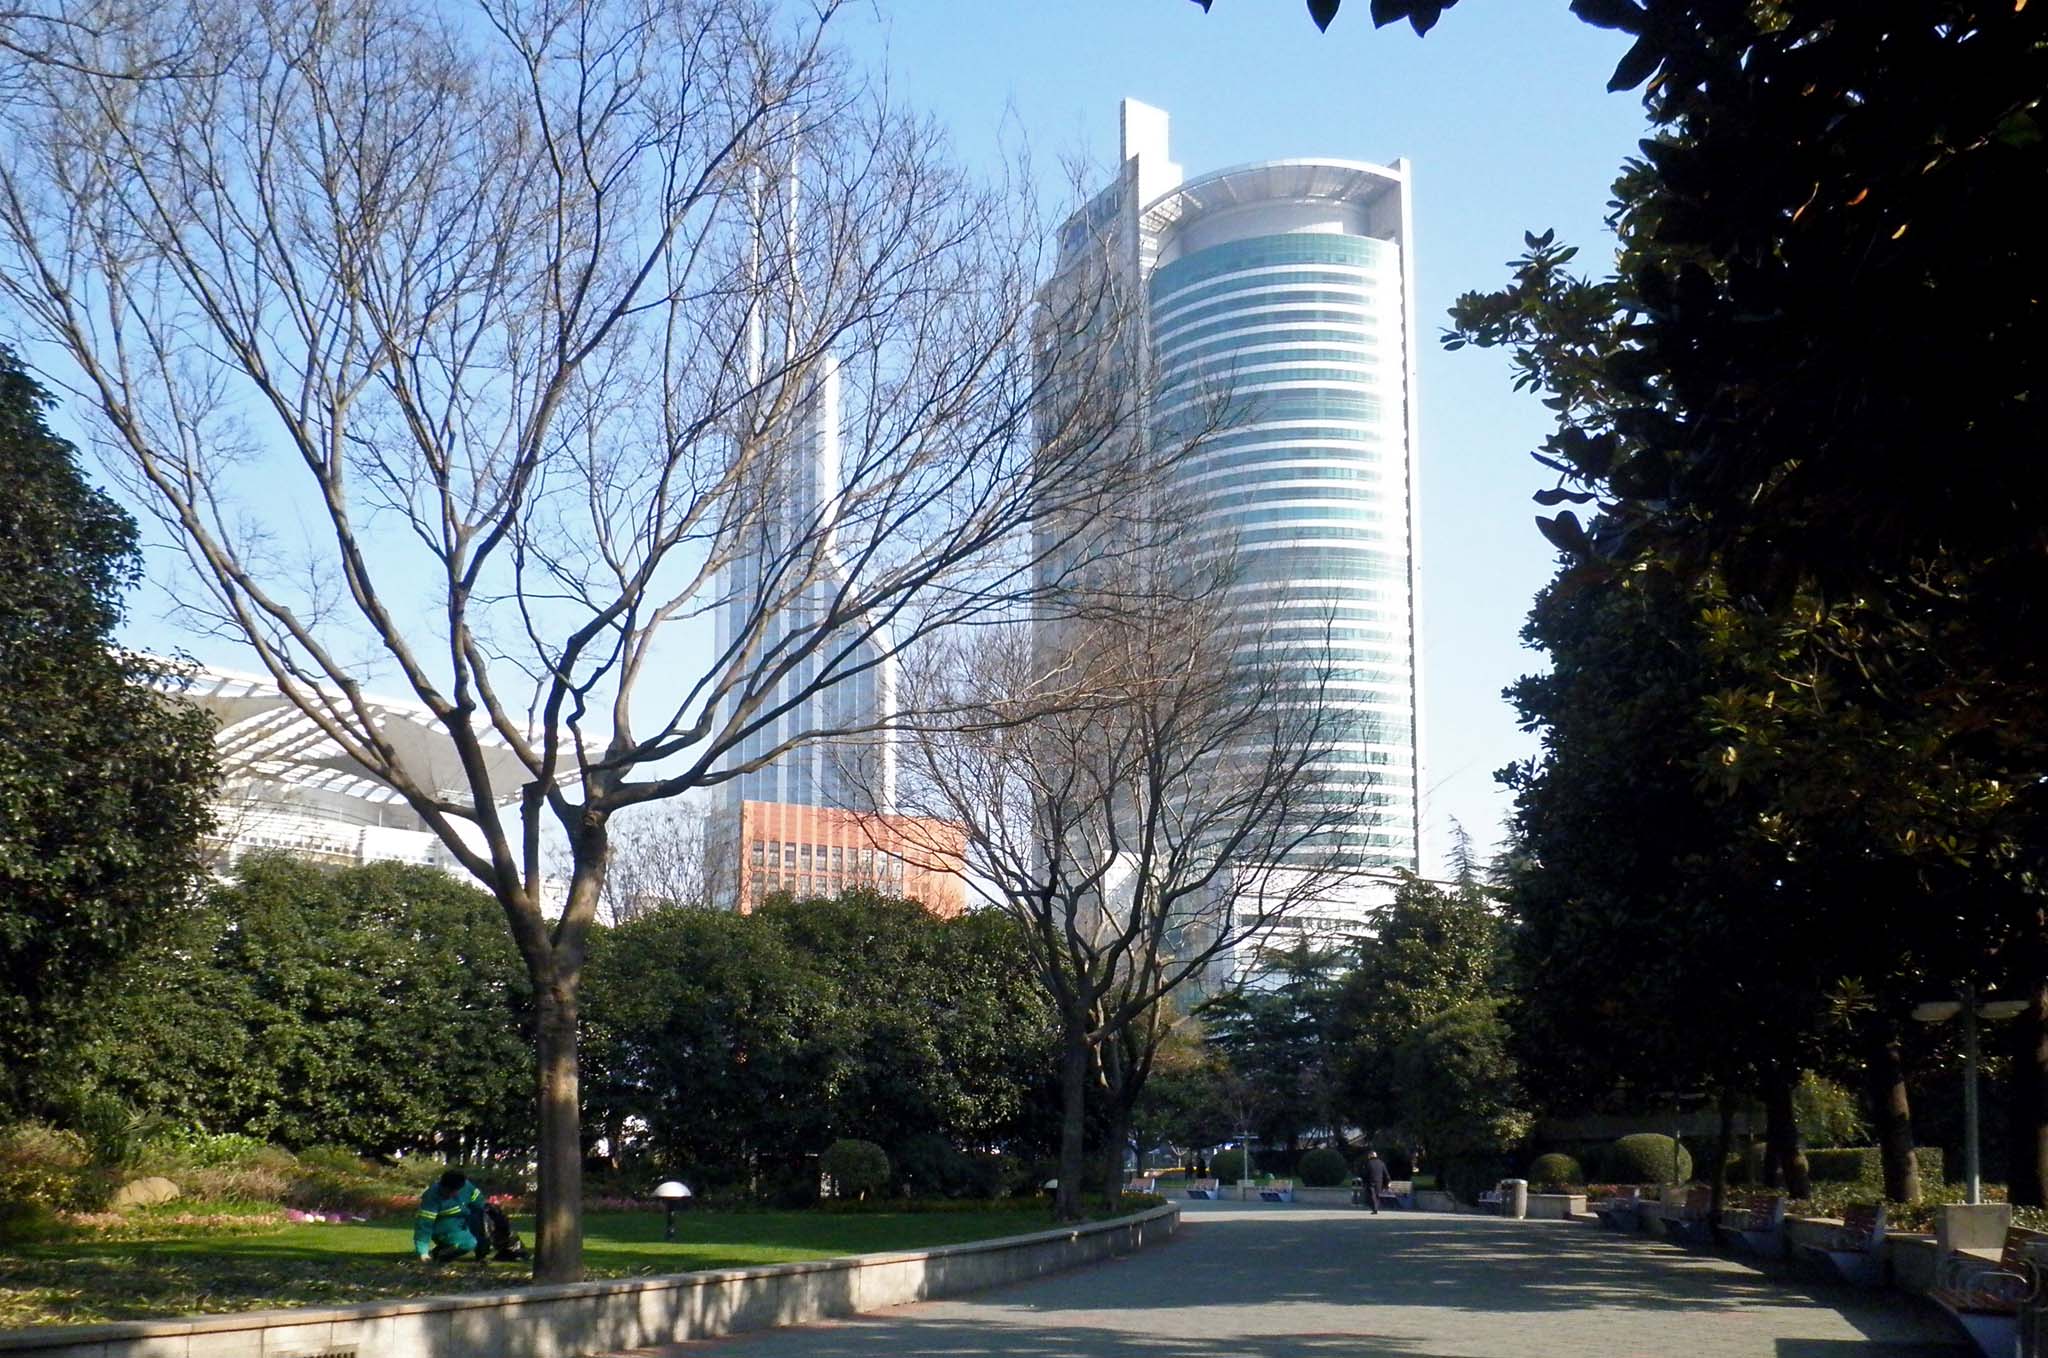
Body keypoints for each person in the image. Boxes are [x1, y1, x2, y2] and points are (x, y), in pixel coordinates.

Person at [415, 1169, 489, 1263]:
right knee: (468, 1243)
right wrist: (423, 1252)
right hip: (443, 1229)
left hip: (463, 1223)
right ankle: (440, 1255)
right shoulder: (431, 1197)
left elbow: (479, 1204)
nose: (451, 1194)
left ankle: (481, 1254)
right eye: (447, 1191)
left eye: (454, 1191)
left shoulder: (467, 1187)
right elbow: (424, 1225)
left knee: (483, 1222)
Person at [1361, 1149, 1392, 1215]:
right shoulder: (1381, 1163)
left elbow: (1365, 1174)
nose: (1368, 1156)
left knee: (1372, 1195)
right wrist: (1388, 1182)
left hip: (1370, 1181)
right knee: (1377, 1195)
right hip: (1379, 1182)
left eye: (1368, 1155)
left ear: (1370, 1156)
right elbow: (1386, 1174)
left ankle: (1374, 1208)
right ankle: (1376, 1208)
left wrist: (1364, 1182)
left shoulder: (1368, 1163)